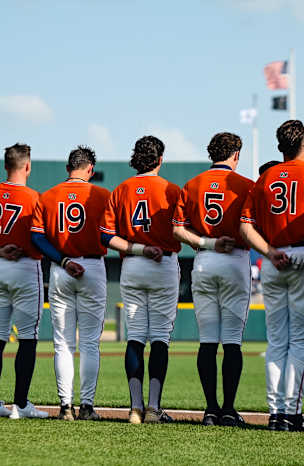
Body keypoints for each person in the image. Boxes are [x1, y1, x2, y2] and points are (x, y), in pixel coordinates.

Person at [240, 120, 304, 432]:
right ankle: (292, 414)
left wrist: (268, 252)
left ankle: (275, 413)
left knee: (276, 340)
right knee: (300, 340)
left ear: (280, 146)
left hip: (272, 258)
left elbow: (245, 227)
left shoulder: (265, 177)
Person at [172, 132, 254, 427]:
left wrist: (207, 244)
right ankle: (229, 409)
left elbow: (178, 230)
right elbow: (251, 229)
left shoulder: (193, 184)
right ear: (236, 154)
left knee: (207, 341)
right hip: (235, 259)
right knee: (232, 342)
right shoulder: (246, 185)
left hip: (205, 260)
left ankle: (210, 409)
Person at [99, 135, 181, 424]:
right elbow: (183, 231)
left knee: (135, 338)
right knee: (159, 338)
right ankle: (154, 409)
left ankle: (135, 408)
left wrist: (138, 247)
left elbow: (106, 237)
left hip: (133, 263)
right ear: (160, 159)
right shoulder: (172, 190)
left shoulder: (121, 189)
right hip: (163, 265)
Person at [31, 146, 111, 421]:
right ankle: (87, 406)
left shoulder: (49, 195)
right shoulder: (102, 195)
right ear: (90, 169)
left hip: (60, 268)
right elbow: (111, 236)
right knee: (89, 343)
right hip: (92, 267)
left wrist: (63, 260)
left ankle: (65, 406)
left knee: (62, 344)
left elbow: (38, 238)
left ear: (68, 168)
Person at [0, 143, 48, 420]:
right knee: (28, 338)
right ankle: (21, 405)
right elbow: (41, 237)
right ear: (27, 166)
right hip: (26, 267)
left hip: (0, 267)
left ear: (6, 166)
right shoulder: (34, 197)